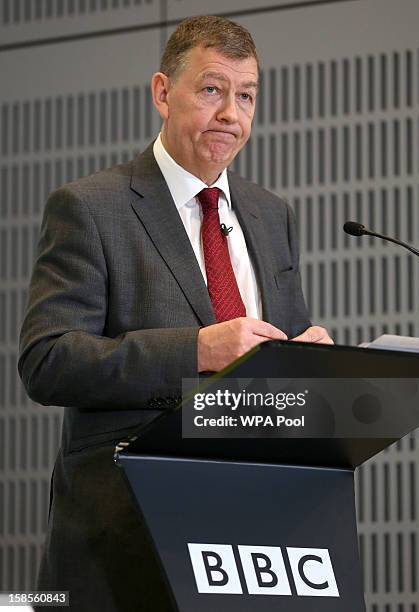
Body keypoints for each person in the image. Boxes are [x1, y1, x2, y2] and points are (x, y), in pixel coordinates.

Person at [18, 14, 332, 612]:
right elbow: (47, 359)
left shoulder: (272, 215)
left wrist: (306, 367)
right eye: (212, 90)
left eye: (246, 96)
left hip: (253, 535)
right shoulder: (90, 207)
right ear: (163, 92)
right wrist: (195, 351)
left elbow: (270, 366)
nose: (231, 115)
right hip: (126, 538)